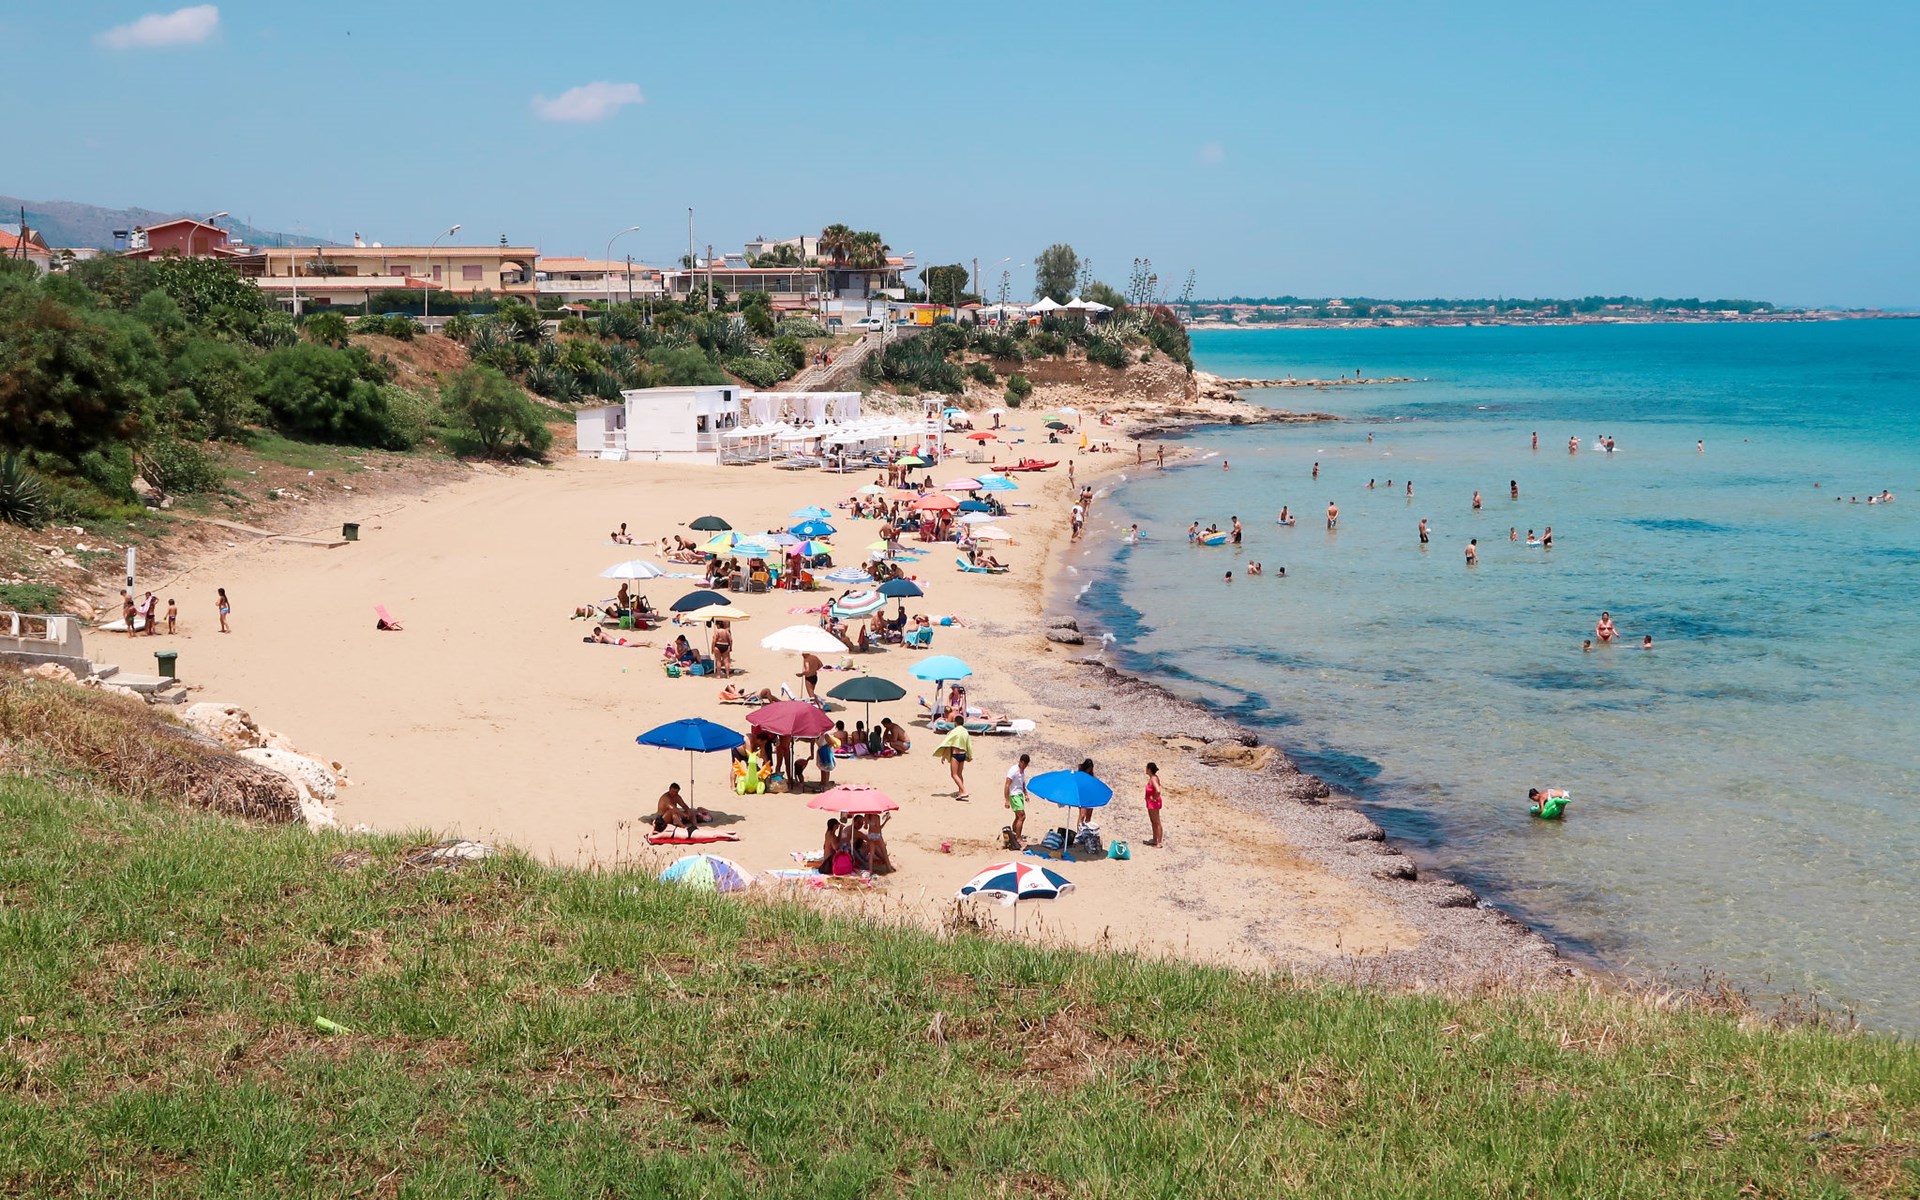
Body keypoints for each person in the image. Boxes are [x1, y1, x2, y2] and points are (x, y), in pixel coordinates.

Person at [935, 724, 973, 799]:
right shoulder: (965, 732)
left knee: (954, 775)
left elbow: (949, 744)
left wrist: (944, 756)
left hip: (956, 755)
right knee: (959, 774)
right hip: (963, 755)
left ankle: (964, 791)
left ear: (955, 723)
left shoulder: (954, 731)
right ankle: (960, 792)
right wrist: (970, 755)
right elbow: (969, 744)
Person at [1004, 752, 1031, 848]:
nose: (1025, 766)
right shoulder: (1013, 770)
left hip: (1019, 795)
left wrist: (1026, 794)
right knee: (1022, 816)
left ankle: (1014, 836)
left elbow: (1022, 783)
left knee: (1018, 817)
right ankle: (1018, 838)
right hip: (1014, 795)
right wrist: (1007, 800)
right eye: (1024, 764)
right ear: (1021, 762)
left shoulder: (1022, 771)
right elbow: (1007, 784)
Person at [1075, 758, 1102, 827]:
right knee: (1082, 815)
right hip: (1083, 796)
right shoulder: (1080, 774)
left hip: (1090, 796)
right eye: (1089, 768)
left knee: (1088, 817)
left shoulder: (1092, 775)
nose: (1089, 770)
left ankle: (1086, 831)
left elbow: (1095, 784)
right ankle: (1079, 831)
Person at [1144, 761, 1165, 847]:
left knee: (1157, 821)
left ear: (1149, 769)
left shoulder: (1153, 779)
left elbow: (1158, 790)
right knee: (1153, 821)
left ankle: (1159, 842)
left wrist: (1154, 798)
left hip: (1154, 803)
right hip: (1150, 802)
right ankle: (1154, 839)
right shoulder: (1152, 778)